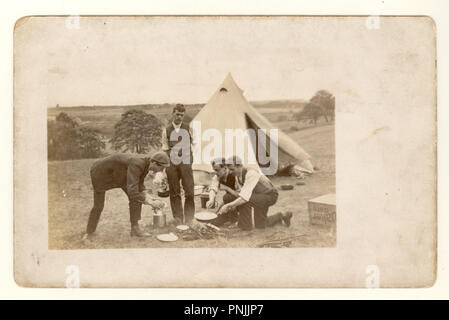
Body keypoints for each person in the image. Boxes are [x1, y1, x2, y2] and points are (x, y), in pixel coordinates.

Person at [83, 152, 170, 240]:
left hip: (120, 174)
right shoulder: (138, 163)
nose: (161, 171)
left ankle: (135, 229)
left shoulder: (147, 165)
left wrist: (150, 198)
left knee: (136, 198)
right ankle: (89, 232)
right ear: (154, 163)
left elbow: (139, 185)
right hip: (101, 172)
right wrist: (150, 202)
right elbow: (133, 192)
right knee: (99, 205)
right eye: (161, 168)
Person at [217, 156, 292, 230]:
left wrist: (229, 205)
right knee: (260, 225)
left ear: (239, 166)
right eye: (229, 169)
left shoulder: (251, 173)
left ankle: (245, 226)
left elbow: (244, 197)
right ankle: (281, 215)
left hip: (270, 195)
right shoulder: (237, 175)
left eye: (232, 169)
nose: (230, 172)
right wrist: (228, 204)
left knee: (246, 199)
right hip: (258, 196)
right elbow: (240, 193)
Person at [161, 104, 196, 225]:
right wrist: (168, 165)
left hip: (186, 162)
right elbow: (165, 148)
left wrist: (190, 160)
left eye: (182, 115)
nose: (179, 117)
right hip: (172, 162)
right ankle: (178, 218)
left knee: (189, 191)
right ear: (173, 114)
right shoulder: (166, 130)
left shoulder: (189, 127)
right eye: (177, 114)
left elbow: (194, 144)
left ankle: (190, 218)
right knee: (174, 192)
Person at [206, 157, 240, 226]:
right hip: (230, 201)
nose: (215, 172)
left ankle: (235, 220)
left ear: (224, 168)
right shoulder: (217, 177)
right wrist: (211, 200)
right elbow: (213, 188)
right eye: (214, 170)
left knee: (227, 197)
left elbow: (241, 195)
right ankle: (228, 217)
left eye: (217, 170)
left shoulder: (234, 175)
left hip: (241, 201)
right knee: (216, 221)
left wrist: (227, 188)